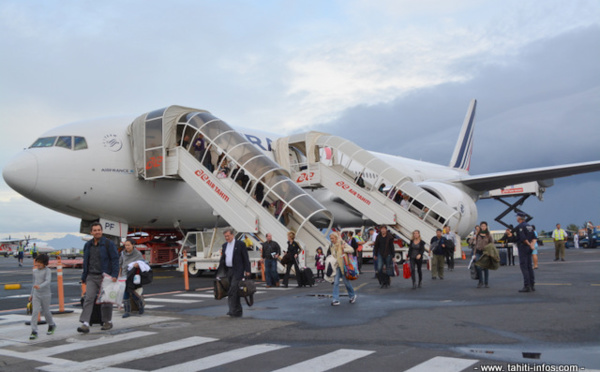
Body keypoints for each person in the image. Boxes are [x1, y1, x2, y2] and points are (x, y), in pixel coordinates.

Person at [78, 222, 119, 333]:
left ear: (102, 231)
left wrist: (114, 275)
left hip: (105, 276)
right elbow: (86, 261)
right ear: (91, 232)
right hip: (91, 275)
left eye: (99, 230)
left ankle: (107, 321)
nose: (97, 232)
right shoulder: (88, 245)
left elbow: (115, 259)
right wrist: (84, 276)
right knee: (88, 298)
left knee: (105, 301)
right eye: (95, 230)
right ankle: (85, 323)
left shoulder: (108, 244)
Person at [217, 228, 251, 317]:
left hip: (237, 270)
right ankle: (237, 310)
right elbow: (223, 259)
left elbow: (245, 258)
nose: (226, 238)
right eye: (225, 236)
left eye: (228, 236)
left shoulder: (240, 244)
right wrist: (220, 272)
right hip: (228, 270)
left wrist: (247, 270)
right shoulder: (225, 245)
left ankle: (233, 310)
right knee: (232, 290)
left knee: (233, 289)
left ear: (232, 235)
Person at [29, 253, 56, 340]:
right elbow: (34, 283)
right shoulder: (35, 271)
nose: (38, 264)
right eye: (37, 262)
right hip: (36, 294)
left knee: (46, 311)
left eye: (40, 263)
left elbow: (48, 281)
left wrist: (40, 286)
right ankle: (34, 331)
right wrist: (31, 294)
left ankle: (51, 324)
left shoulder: (47, 271)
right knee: (35, 312)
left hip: (46, 294)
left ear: (45, 263)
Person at [328, 232, 357, 306]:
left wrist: (344, 249)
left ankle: (352, 295)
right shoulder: (331, 245)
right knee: (336, 283)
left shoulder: (342, 243)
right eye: (330, 238)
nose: (331, 240)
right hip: (337, 266)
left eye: (333, 238)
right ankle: (335, 299)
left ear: (336, 238)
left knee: (346, 283)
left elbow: (352, 249)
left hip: (344, 266)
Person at [118, 239, 145, 318]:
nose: (127, 247)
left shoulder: (138, 253)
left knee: (132, 292)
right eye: (126, 245)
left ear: (133, 245)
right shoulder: (123, 253)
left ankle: (140, 305)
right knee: (125, 293)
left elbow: (143, 262)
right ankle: (127, 311)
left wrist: (138, 264)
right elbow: (120, 264)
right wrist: (119, 274)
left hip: (133, 276)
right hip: (124, 275)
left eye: (128, 245)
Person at [515, 212, 536, 293]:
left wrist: (528, 244)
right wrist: (532, 245)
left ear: (519, 218)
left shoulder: (520, 226)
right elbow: (534, 238)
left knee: (524, 266)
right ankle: (532, 284)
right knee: (529, 266)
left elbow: (523, 238)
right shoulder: (529, 226)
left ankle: (526, 285)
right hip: (529, 247)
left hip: (523, 247)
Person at [473, 222, 494, 288]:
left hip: (486, 253)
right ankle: (480, 281)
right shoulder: (478, 235)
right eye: (482, 226)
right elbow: (475, 244)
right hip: (478, 252)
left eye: (484, 226)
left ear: (486, 227)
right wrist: (474, 254)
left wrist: (490, 253)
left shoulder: (488, 235)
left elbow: (492, 244)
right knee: (478, 267)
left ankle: (486, 282)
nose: (483, 227)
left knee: (485, 268)